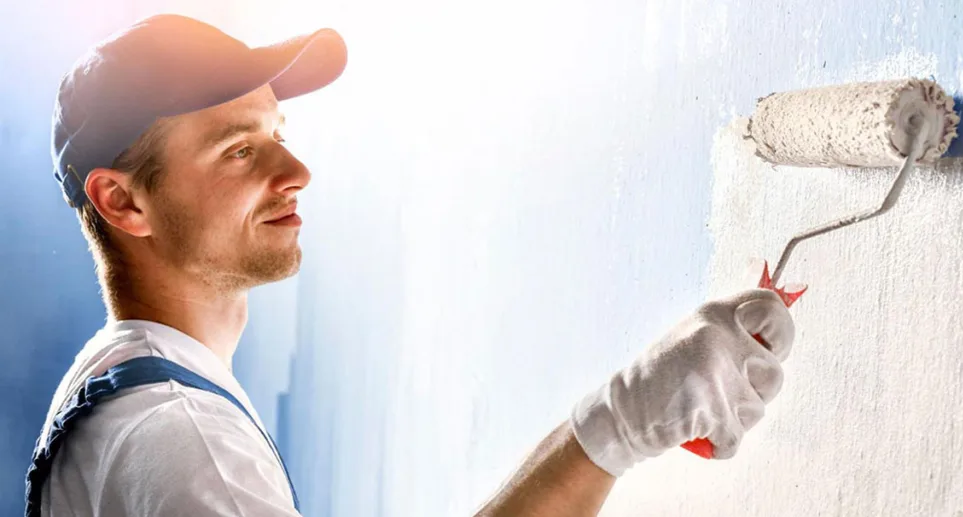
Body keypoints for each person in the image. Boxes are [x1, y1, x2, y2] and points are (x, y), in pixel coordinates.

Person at [28, 13, 797, 517]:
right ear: (124, 203)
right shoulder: (183, 441)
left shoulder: (113, 397)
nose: (295, 168)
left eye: (278, 131)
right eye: (238, 149)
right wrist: (621, 424)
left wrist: (619, 424)